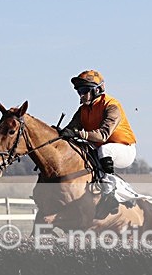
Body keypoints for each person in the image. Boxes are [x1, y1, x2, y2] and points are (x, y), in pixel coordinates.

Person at [59, 70, 138, 219]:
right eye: (79, 91)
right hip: (101, 150)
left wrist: (79, 134)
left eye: (84, 91)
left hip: (124, 150)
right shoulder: (83, 110)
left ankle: (110, 194)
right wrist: (57, 133)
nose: (81, 95)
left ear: (97, 90)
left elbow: (102, 135)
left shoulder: (112, 106)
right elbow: (70, 129)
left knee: (105, 149)